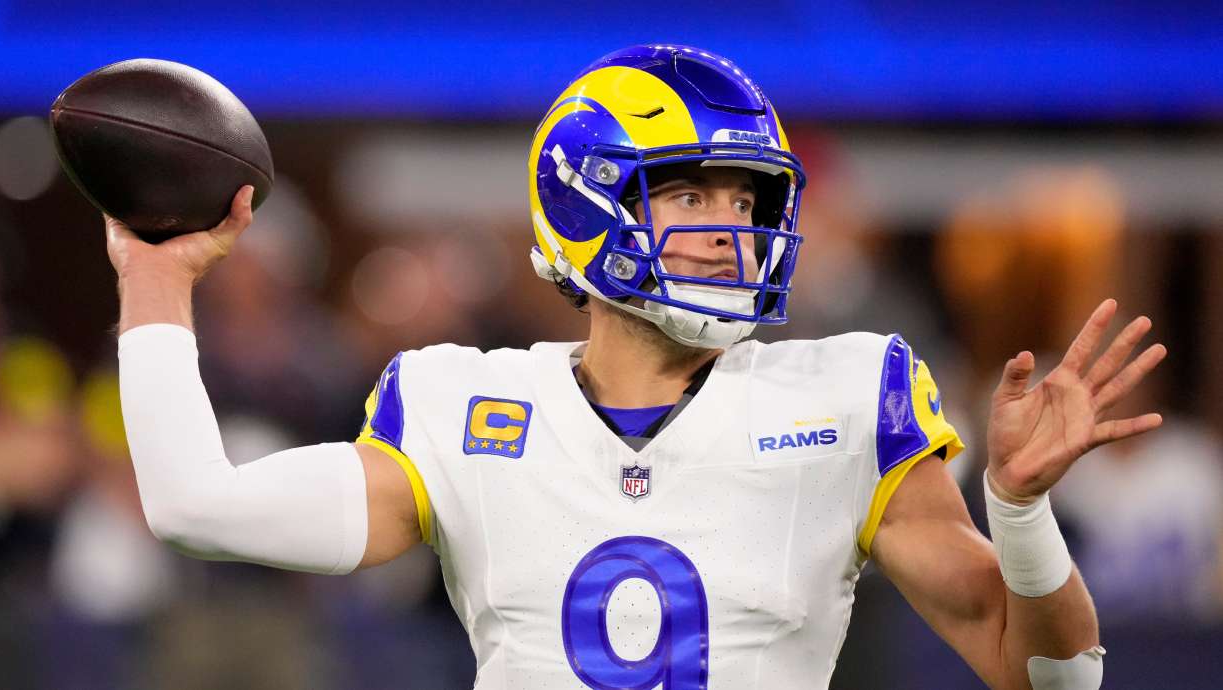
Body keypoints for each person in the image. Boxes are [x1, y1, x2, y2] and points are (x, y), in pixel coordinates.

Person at [108, 45, 1166, 690]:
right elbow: (198, 506)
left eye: (746, 202)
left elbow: (1049, 678)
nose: (729, 232)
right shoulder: (466, 405)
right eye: (691, 194)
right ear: (586, 199)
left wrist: (1018, 513)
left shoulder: (846, 399)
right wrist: (155, 278)